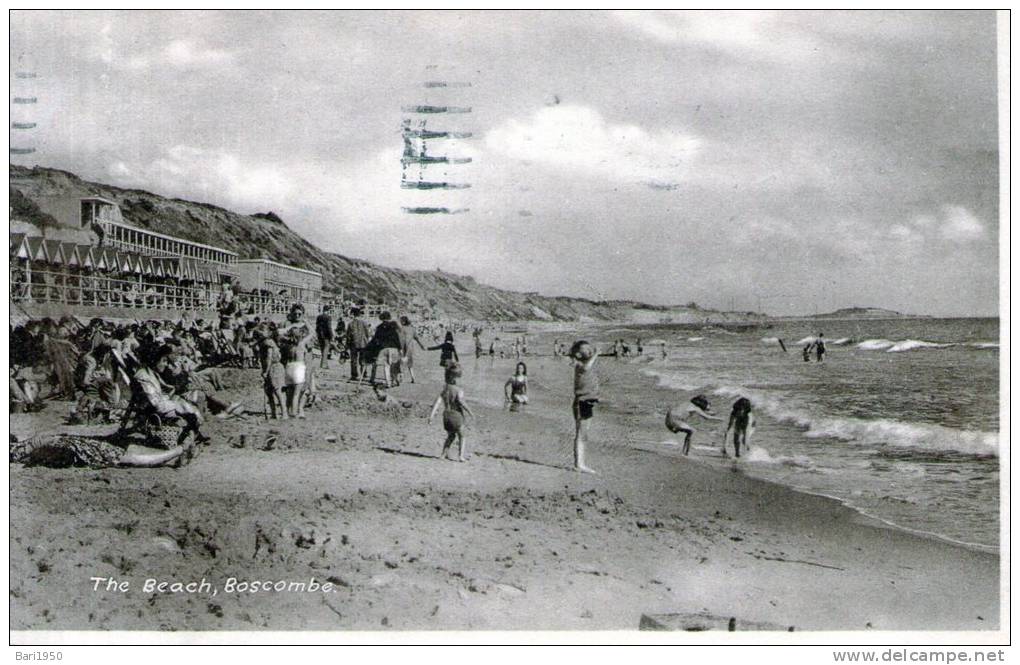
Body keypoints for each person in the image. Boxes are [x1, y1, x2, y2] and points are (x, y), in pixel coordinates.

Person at [427, 363, 474, 462]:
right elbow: (461, 402)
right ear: (455, 378)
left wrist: (431, 416)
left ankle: (443, 454)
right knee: (462, 435)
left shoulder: (444, 390)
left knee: (451, 436)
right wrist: (470, 411)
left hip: (446, 416)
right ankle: (461, 456)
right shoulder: (458, 390)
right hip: (456, 415)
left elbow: (437, 403)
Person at [279, 304, 315, 418]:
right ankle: (293, 411)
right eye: (295, 313)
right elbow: (280, 336)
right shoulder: (288, 325)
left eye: (300, 314)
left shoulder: (305, 327)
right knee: (293, 389)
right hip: (293, 360)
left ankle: (297, 410)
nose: (297, 315)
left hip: (304, 358)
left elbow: (312, 336)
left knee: (303, 387)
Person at [569, 340, 599, 474]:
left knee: (584, 434)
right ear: (579, 354)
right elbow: (587, 367)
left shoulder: (585, 364)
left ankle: (581, 462)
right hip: (581, 401)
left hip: (588, 401)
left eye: (589, 349)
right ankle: (579, 464)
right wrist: (596, 354)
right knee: (581, 434)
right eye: (585, 350)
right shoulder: (580, 364)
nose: (589, 351)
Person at [365, 311, 403, 388]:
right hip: (393, 347)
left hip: (383, 348)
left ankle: (388, 383)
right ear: (389, 317)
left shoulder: (379, 327)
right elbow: (396, 338)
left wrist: (368, 346)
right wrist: (400, 348)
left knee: (386, 366)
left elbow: (375, 339)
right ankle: (394, 380)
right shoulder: (393, 327)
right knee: (394, 365)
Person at [346, 307, 372, 381]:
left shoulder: (350, 324)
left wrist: (347, 345)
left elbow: (348, 336)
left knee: (353, 360)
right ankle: (364, 374)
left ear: (353, 314)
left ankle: (354, 375)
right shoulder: (364, 323)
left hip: (353, 344)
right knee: (362, 360)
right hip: (363, 344)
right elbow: (368, 334)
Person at [398, 315, 427, 383]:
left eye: (401, 321)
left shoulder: (400, 329)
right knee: (410, 363)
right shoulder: (412, 329)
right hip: (410, 348)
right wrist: (421, 346)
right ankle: (413, 377)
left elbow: (399, 339)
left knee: (401, 363)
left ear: (403, 321)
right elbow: (417, 339)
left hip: (402, 347)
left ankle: (401, 377)